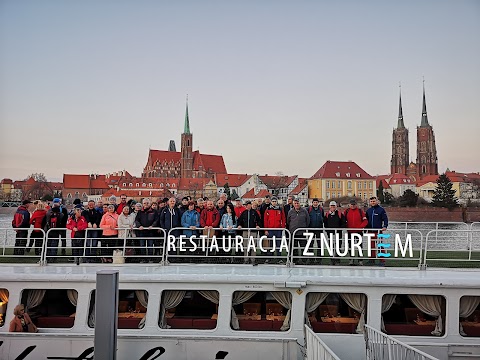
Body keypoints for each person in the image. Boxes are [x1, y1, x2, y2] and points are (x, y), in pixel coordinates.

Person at [366, 196, 389, 266]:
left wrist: (385, 226)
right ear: (370, 202)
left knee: (380, 245)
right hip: (370, 231)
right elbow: (366, 220)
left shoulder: (381, 210)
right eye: (371, 201)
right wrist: (365, 228)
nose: (373, 202)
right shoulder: (368, 210)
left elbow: (385, 219)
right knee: (371, 246)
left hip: (378, 231)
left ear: (377, 201)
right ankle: (371, 260)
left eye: (374, 201)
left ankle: (382, 260)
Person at [344, 199, 368, 265]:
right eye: (351, 204)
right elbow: (343, 220)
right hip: (350, 232)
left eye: (354, 204)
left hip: (358, 232)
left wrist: (360, 227)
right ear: (349, 205)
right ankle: (351, 259)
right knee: (350, 246)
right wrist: (346, 226)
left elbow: (365, 221)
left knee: (360, 246)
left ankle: (360, 260)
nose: (353, 206)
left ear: (356, 204)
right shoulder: (347, 211)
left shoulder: (360, 211)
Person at [287, 199, 310, 264]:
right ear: (293, 204)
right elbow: (288, 221)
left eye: (297, 203)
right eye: (295, 203)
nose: (296, 205)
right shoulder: (290, 212)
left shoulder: (304, 211)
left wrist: (304, 227)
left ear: (299, 204)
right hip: (293, 232)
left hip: (302, 232)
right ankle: (294, 260)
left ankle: (304, 260)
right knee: (294, 247)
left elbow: (307, 220)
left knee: (303, 246)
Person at [263, 196, 286, 263]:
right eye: (273, 201)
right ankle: (269, 257)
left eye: (275, 201)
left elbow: (283, 218)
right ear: (271, 202)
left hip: (278, 229)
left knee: (278, 243)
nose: (274, 203)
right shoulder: (268, 209)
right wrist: (266, 230)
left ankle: (279, 257)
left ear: (277, 202)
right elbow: (266, 220)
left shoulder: (280, 209)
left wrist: (282, 227)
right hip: (270, 229)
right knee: (270, 244)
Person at [323, 201, 346, 265]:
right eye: (331, 206)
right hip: (330, 233)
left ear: (336, 206)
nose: (332, 207)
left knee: (338, 246)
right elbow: (325, 223)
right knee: (331, 246)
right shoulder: (327, 214)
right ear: (329, 207)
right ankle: (332, 259)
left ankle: (337, 260)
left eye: (334, 206)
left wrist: (339, 229)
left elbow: (344, 223)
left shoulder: (340, 214)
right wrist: (327, 231)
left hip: (338, 233)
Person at [308, 198, 324, 264]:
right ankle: (311, 259)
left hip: (319, 229)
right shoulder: (309, 209)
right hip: (311, 229)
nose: (315, 204)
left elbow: (323, 217)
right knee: (310, 244)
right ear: (312, 203)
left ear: (318, 203)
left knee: (319, 244)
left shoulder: (321, 209)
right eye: (314, 202)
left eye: (316, 202)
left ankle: (319, 259)